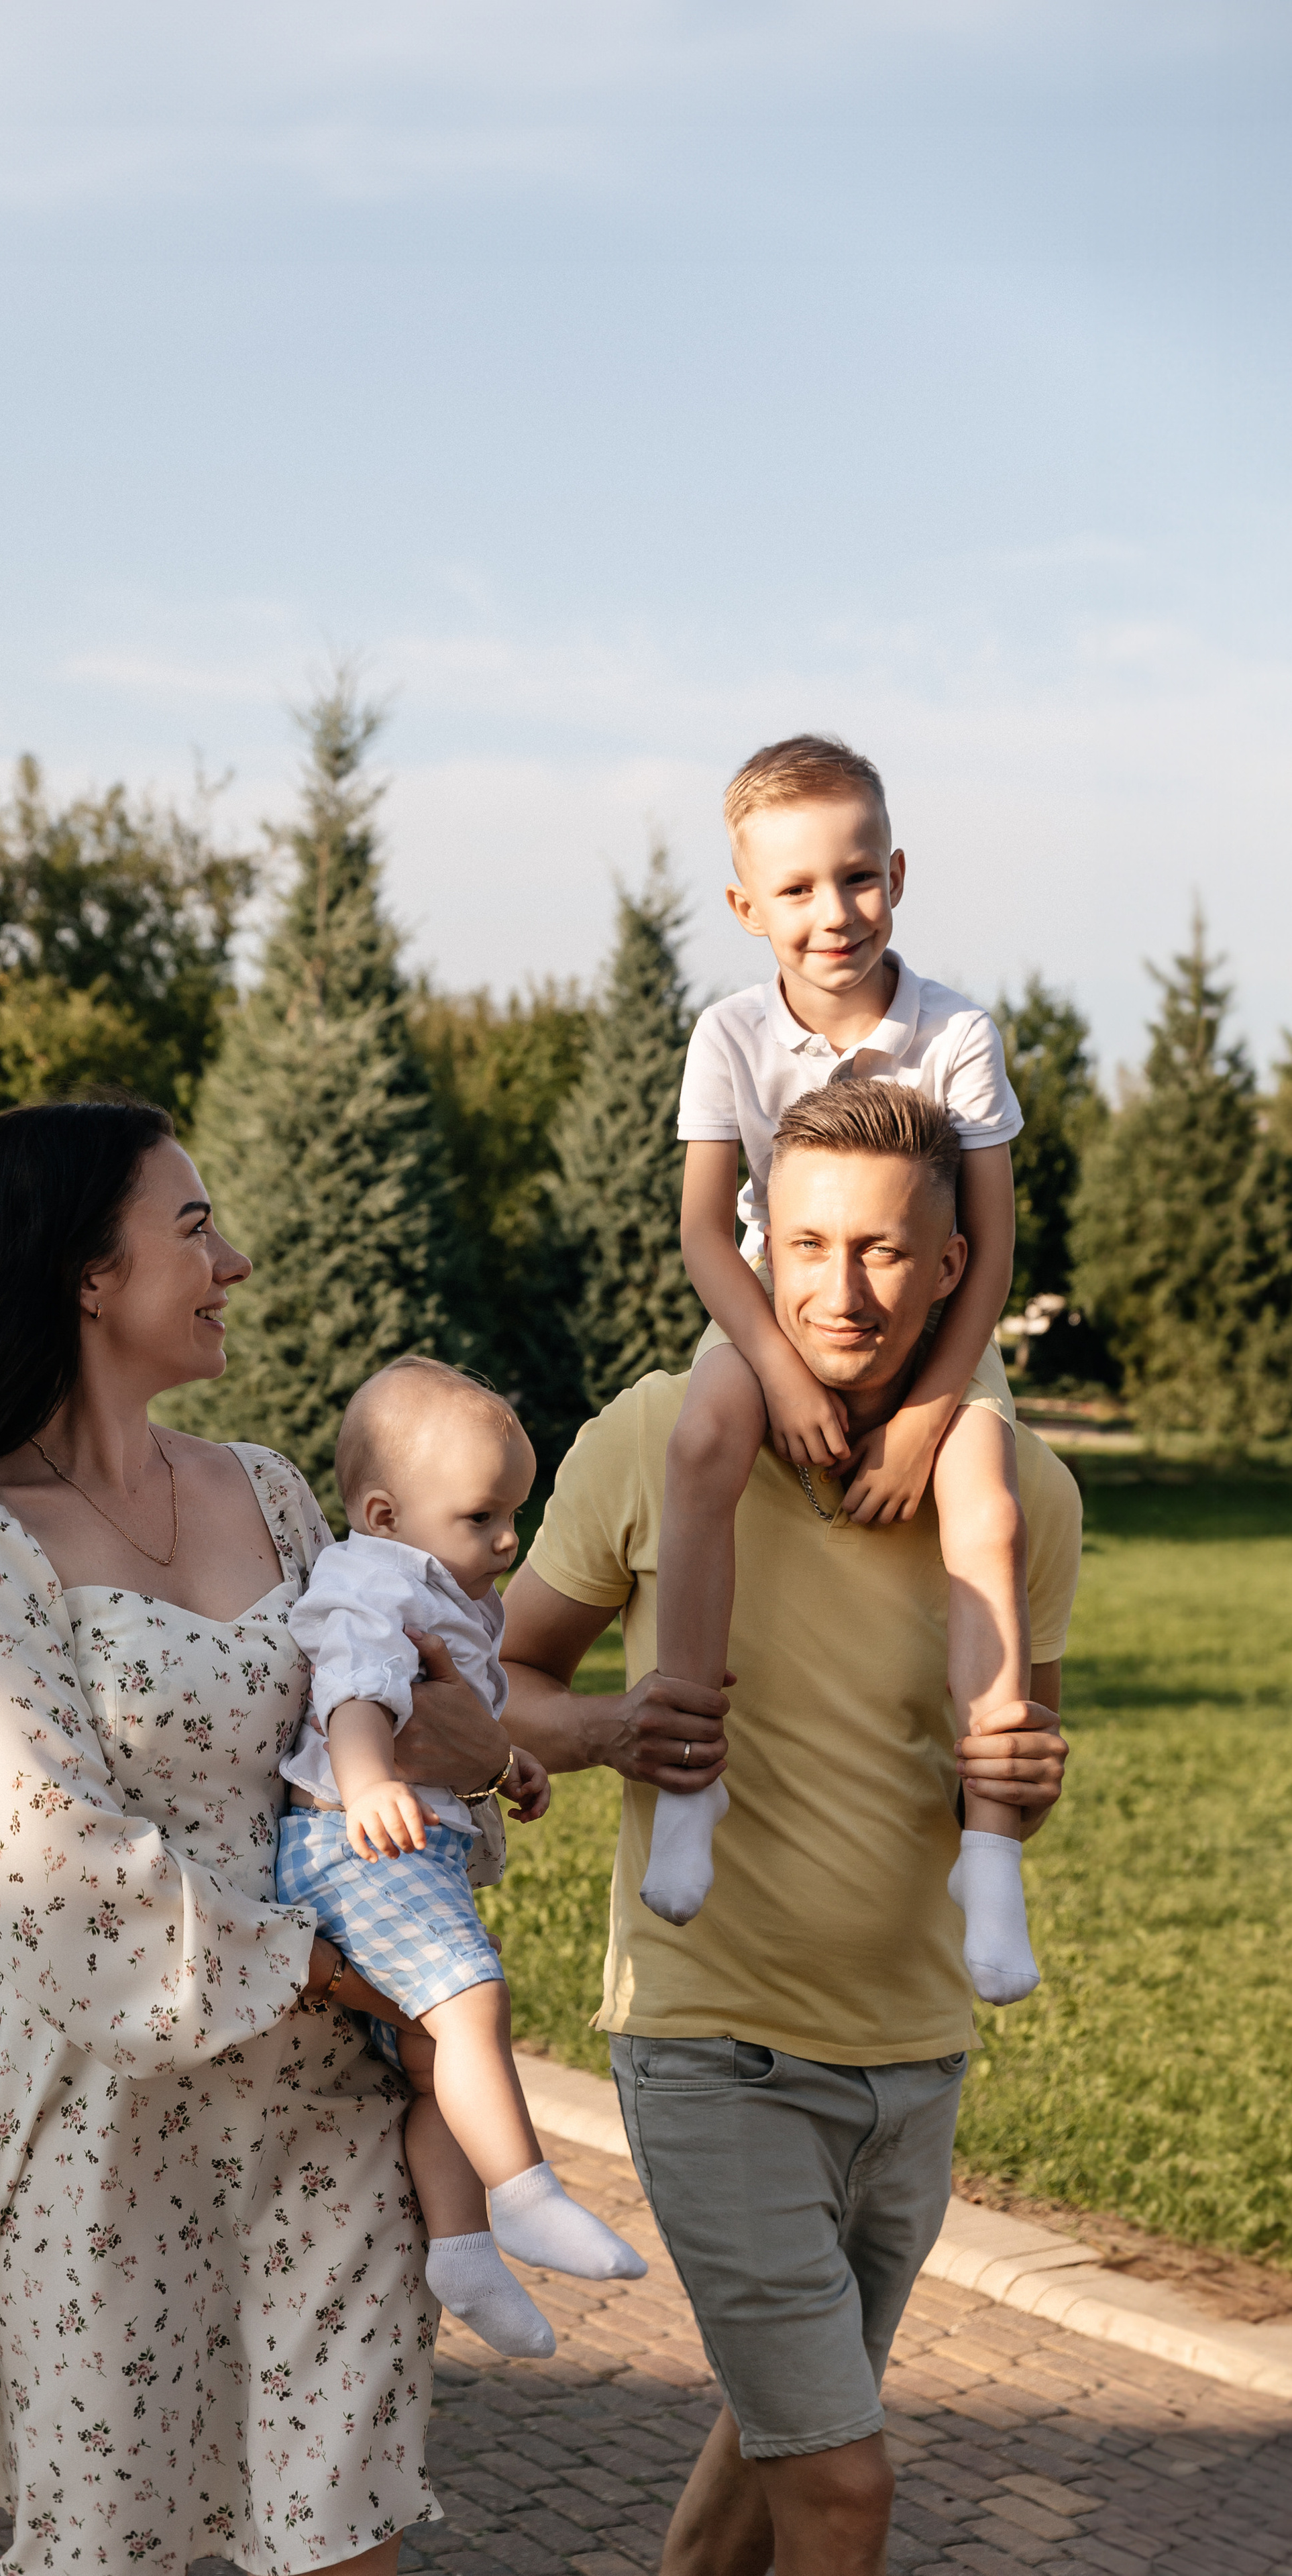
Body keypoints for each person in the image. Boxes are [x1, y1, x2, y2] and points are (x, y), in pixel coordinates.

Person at [0, 1100, 509, 2576]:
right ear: (90, 1274)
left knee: (349, 2535)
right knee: (116, 2545)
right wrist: (340, 1969)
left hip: (329, 2123)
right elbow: (48, 1865)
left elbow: (388, 1725)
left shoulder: (273, 1490)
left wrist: (476, 1762)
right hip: (105, 2128)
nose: (239, 1260)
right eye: (196, 1226)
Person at [500, 1084, 1080, 2576]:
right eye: (806, 1244)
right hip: (716, 2047)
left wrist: (1018, 1774)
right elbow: (492, 1686)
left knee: (769, 2465)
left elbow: (993, 1770)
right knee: (842, 2490)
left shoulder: (1018, 1493)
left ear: (950, 1267)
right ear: (756, 1244)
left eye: (884, 1252)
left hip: (911, 2059)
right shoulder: (653, 1437)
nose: (838, 1290)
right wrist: (608, 1732)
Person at [646, 735, 1038, 2012]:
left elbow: (989, 1243)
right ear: (746, 905)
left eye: (858, 878)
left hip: (932, 1336)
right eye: (800, 889)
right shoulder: (731, 1033)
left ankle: (989, 1849)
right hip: (778, 1319)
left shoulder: (956, 1032)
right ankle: (692, 1787)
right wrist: (777, 1369)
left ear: (898, 875)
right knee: (703, 1445)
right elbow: (711, 1230)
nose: (835, 914)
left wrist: (932, 1411)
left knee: (988, 1494)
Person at [276, 1356, 647, 2363]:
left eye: (512, 1514)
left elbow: (458, 1715)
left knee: (442, 2062)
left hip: (396, 1839)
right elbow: (354, 1692)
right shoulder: (374, 1580)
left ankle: (464, 2247)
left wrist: (509, 1763)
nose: (508, 1539)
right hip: (351, 1840)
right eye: (483, 1517)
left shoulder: (437, 1581)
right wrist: (369, 1784)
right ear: (387, 1511)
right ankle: (527, 2193)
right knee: (473, 2003)